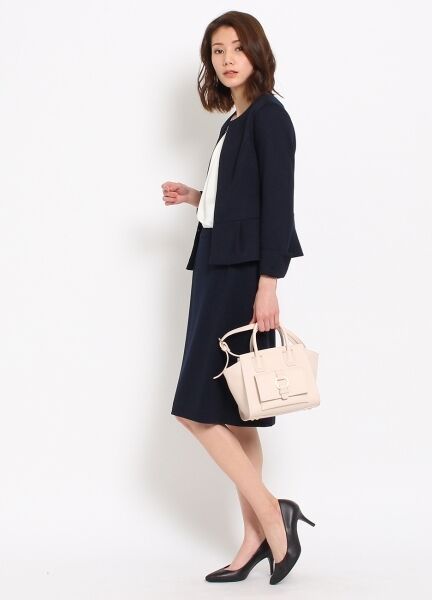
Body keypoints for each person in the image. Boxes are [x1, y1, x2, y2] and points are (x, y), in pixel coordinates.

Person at [161, 11, 314, 585]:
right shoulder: (237, 119)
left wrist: (268, 283)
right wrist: (195, 195)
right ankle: (253, 539)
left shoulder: (270, 117)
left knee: (194, 411)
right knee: (237, 414)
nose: (227, 59)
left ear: (256, 52)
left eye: (236, 48)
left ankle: (275, 515)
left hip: (241, 278)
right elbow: (241, 198)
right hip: (214, 269)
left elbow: (278, 207)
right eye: (217, 51)